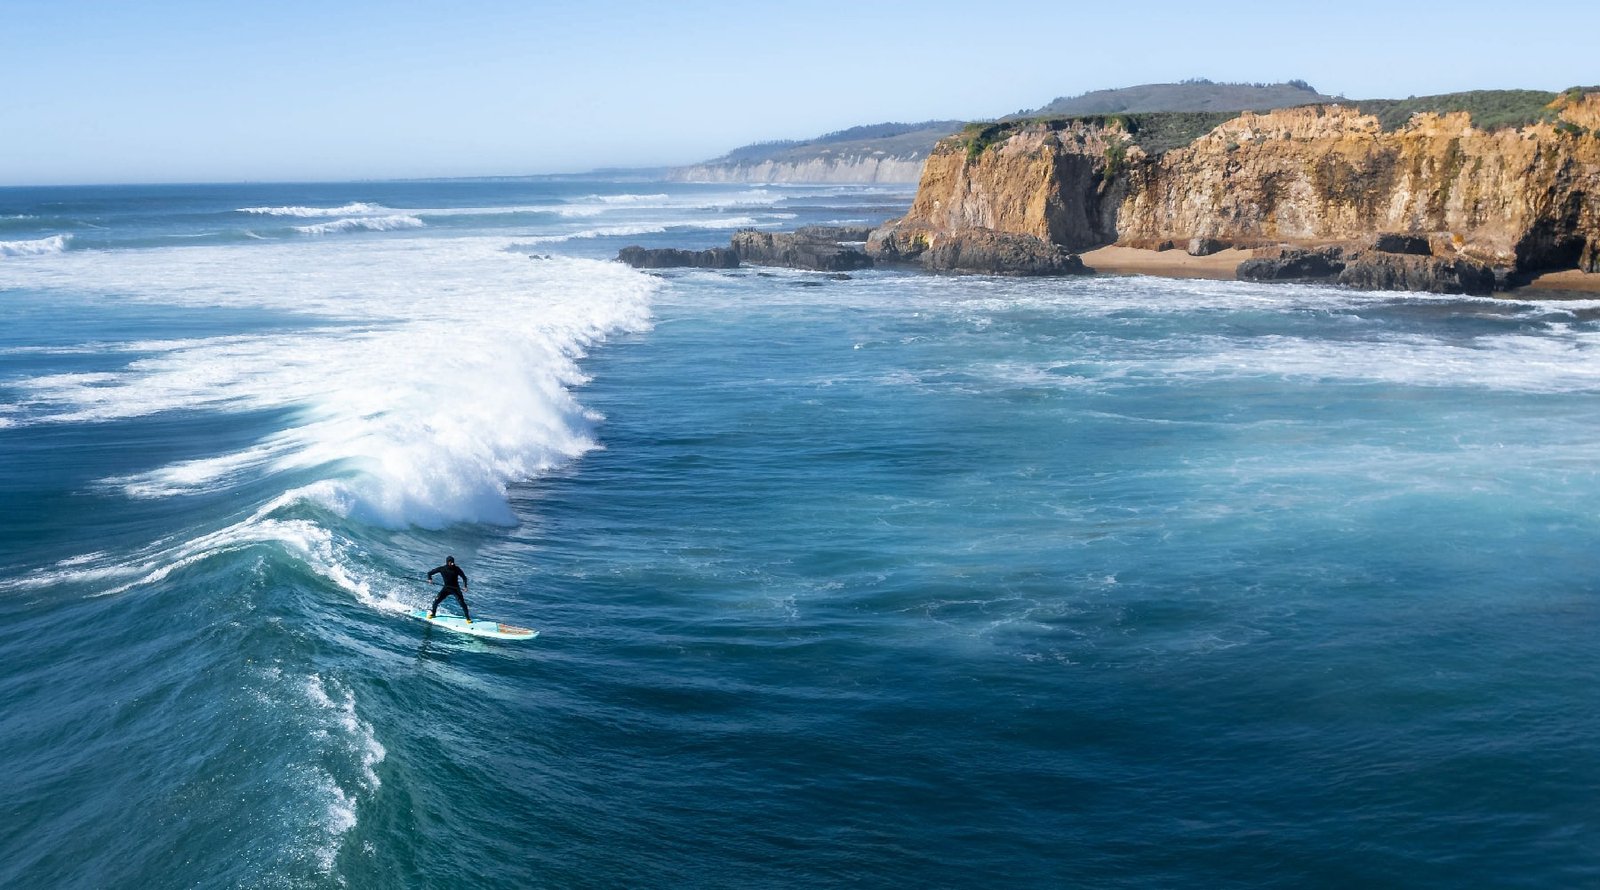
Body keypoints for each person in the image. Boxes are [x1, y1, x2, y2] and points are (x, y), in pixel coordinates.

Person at [426, 556, 471, 622]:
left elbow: (464, 578)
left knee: (462, 604)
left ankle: (468, 618)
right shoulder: (442, 569)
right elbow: (429, 573)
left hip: (455, 589)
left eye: (452, 562)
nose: (451, 563)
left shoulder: (457, 569)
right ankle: (433, 614)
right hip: (446, 588)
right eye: (450, 562)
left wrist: (465, 587)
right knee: (436, 602)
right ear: (447, 562)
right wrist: (430, 579)